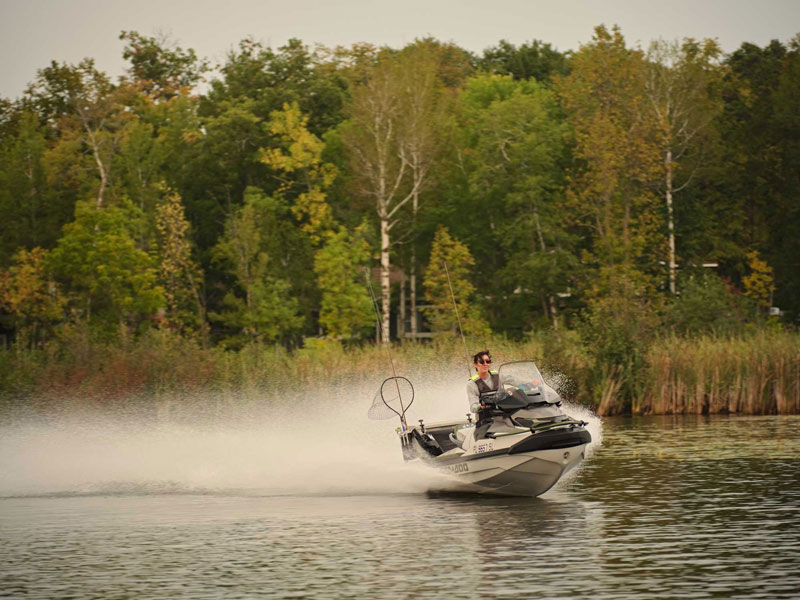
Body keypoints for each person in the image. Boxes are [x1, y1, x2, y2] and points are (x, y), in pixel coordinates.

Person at [466, 350, 499, 416]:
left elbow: (516, 382)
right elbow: (473, 407)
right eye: (481, 362)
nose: (485, 364)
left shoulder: (498, 375)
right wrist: (482, 406)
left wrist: (522, 387)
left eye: (488, 361)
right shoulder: (471, 384)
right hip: (485, 417)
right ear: (475, 365)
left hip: (503, 414)